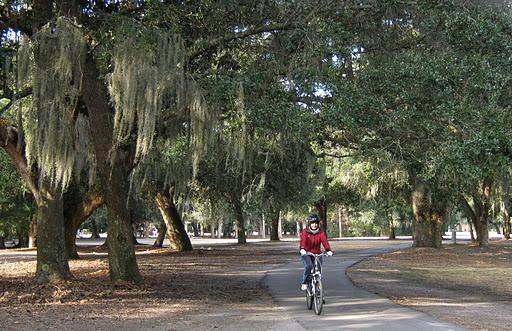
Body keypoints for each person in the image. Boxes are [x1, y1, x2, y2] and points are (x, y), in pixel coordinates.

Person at [299, 213, 333, 290]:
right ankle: (304, 282)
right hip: (307, 253)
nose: (314, 225)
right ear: (309, 224)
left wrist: (328, 250)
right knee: (309, 266)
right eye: (312, 223)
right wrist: (303, 249)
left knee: (318, 270)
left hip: (317, 254)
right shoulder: (305, 232)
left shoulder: (320, 232)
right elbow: (303, 241)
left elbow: (324, 241)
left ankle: (318, 291)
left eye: (316, 223)